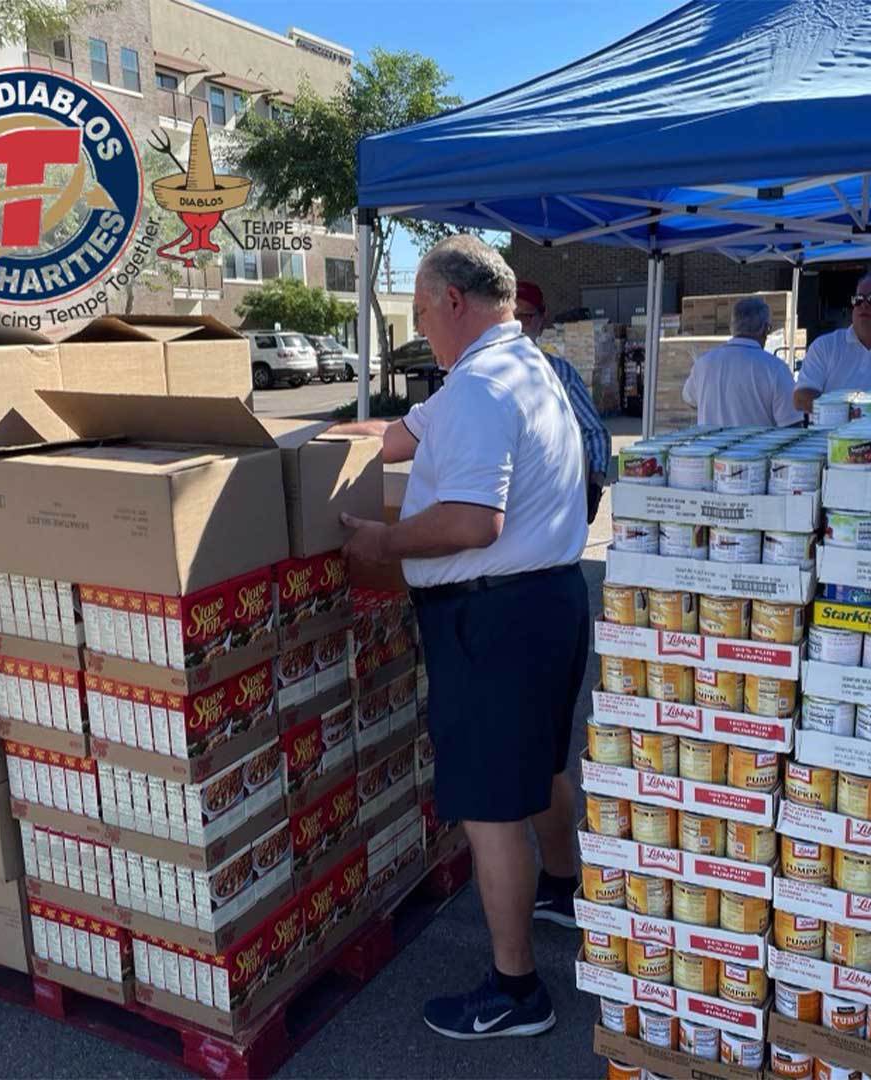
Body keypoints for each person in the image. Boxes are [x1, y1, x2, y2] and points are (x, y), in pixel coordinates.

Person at [335, 235, 589, 1041]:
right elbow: (398, 437)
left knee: (487, 804)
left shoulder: (482, 385)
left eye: (419, 312)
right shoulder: (516, 366)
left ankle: (516, 989)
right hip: (543, 604)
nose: (420, 329)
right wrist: (312, 450)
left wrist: (379, 546)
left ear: (452, 301)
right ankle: (563, 885)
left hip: (494, 615)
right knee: (541, 764)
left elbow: (473, 521)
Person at [515, 280, 611, 523]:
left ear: (542, 318)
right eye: (510, 317)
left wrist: (594, 485)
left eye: (525, 316)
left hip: (549, 511)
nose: (517, 326)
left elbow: (594, 433)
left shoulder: (560, 373)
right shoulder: (482, 375)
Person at [793, 271, 871, 412]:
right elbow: (801, 397)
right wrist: (850, 412)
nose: (864, 305)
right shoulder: (826, 346)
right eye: (858, 299)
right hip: (828, 433)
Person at [681, 296, 801, 427]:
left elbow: (689, 399)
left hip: (710, 446)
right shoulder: (775, 369)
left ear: (732, 327)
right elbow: (792, 424)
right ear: (765, 329)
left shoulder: (703, 364)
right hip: (757, 447)